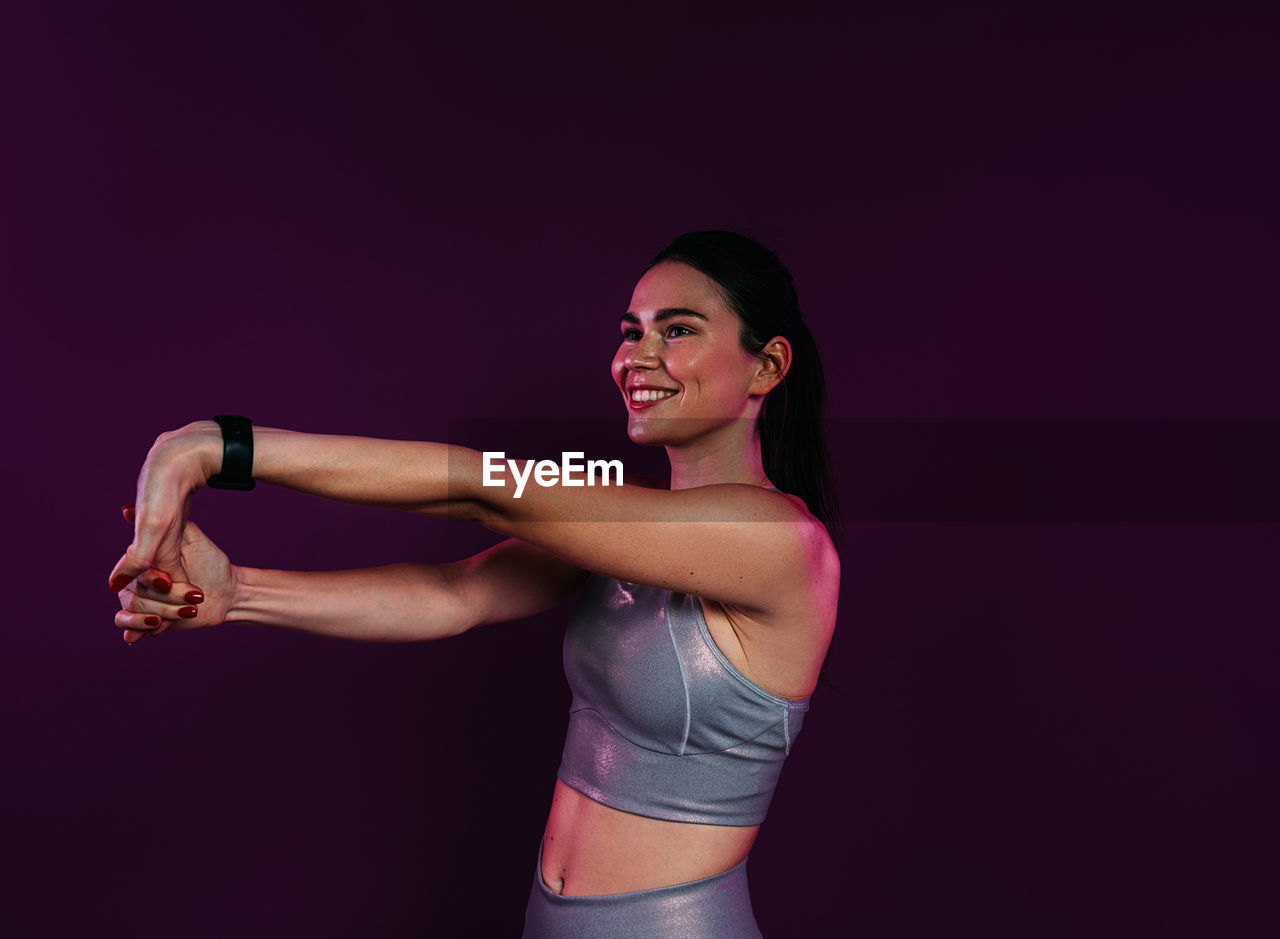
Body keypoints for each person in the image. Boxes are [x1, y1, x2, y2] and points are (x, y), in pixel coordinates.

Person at [109, 230, 841, 937]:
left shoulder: (781, 543)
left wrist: (216, 446)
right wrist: (237, 592)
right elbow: (453, 595)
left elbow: (485, 490)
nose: (636, 357)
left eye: (676, 330)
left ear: (767, 366)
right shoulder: (626, 516)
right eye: (630, 331)